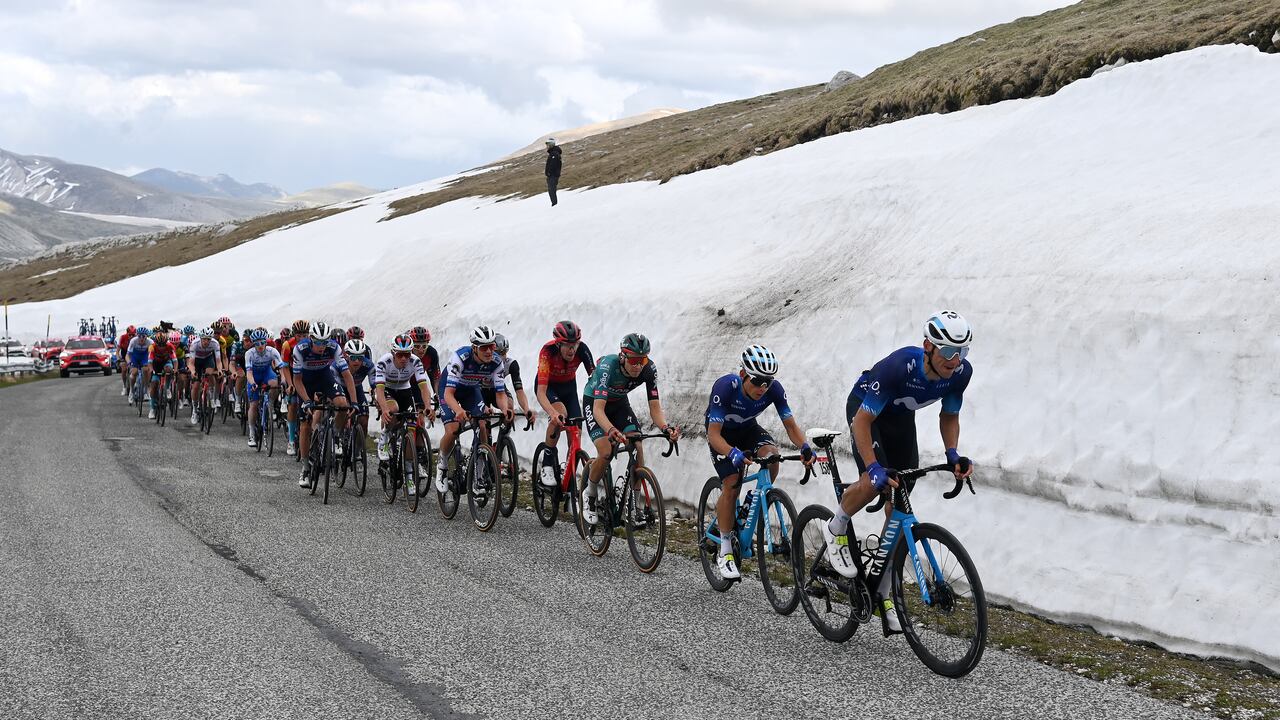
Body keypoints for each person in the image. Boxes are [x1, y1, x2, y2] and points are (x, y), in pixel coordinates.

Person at [825, 310, 976, 632]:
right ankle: (836, 527)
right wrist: (873, 466)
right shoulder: (899, 367)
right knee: (874, 480)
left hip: (901, 421)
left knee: (900, 497)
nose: (955, 360)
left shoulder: (960, 373)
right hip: (866, 412)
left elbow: (949, 415)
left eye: (962, 352)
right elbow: (862, 422)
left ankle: (882, 591)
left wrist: (952, 453)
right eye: (948, 351)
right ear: (928, 346)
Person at [705, 345, 815, 580]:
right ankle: (725, 550)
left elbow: (791, 426)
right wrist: (732, 453)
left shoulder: (773, 390)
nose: (762, 388)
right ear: (743, 374)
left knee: (772, 457)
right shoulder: (726, 387)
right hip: (722, 434)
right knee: (732, 482)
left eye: (768, 382)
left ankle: (748, 506)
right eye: (757, 381)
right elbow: (713, 435)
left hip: (748, 429)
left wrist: (804, 447)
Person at [579, 333, 680, 525]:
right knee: (606, 450)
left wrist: (666, 428)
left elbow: (655, 407)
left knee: (637, 444)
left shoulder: (649, 369)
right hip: (595, 402)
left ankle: (634, 507)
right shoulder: (607, 367)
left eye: (642, 360)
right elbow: (598, 410)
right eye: (633, 360)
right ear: (623, 356)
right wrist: (610, 430)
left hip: (619, 404)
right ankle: (589, 493)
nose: (638, 365)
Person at [435, 326, 514, 493]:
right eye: (484, 347)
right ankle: (441, 464)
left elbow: (500, 393)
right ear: (474, 348)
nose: (488, 351)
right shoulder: (461, 358)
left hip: (471, 390)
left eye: (491, 347)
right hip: (449, 390)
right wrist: (458, 410)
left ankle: (478, 475)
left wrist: (505, 409)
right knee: (453, 429)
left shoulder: (496, 362)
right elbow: (449, 394)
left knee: (483, 424)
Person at [292, 321, 359, 488]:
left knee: (342, 405)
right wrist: (307, 401)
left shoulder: (334, 347)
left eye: (325, 342)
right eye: (318, 342)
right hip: (305, 380)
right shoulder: (300, 349)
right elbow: (297, 380)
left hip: (324, 376)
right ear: (311, 339)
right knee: (305, 425)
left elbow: (347, 375)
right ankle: (306, 468)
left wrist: (355, 402)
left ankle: (335, 437)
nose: (322, 347)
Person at [534, 321, 595, 487]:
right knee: (561, 413)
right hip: (548, 387)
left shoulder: (582, 349)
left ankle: (570, 481)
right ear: (558, 343)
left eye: (575, 344)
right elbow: (541, 392)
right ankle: (547, 464)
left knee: (576, 434)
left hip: (569, 389)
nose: (572, 349)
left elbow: (596, 380)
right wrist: (552, 413)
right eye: (568, 346)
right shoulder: (548, 352)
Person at [244, 329, 289, 448]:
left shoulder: (272, 351)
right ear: (254, 344)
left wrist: (284, 379)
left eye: (262, 342)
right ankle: (252, 433)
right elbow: (248, 373)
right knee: (253, 405)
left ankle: (271, 405)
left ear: (266, 342)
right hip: (254, 375)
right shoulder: (249, 353)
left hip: (267, 373)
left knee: (275, 383)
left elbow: (281, 368)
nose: (260, 346)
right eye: (257, 343)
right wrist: (253, 383)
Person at [482, 333, 535, 423]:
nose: (503, 357)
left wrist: (526, 409)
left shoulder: (511, 364)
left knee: (509, 407)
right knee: (483, 422)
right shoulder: (481, 362)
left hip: (498, 389)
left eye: (504, 352)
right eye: (499, 353)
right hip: (481, 390)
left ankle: (504, 435)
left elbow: (519, 391)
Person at [544, 137, 562, 206]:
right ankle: (554, 204)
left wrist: (549, 173)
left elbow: (553, 165)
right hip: (552, 176)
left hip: (553, 176)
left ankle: (554, 205)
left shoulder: (554, 153)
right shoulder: (553, 153)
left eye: (548, 144)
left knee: (552, 190)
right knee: (551, 190)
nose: (547, 146)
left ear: (551, 144)